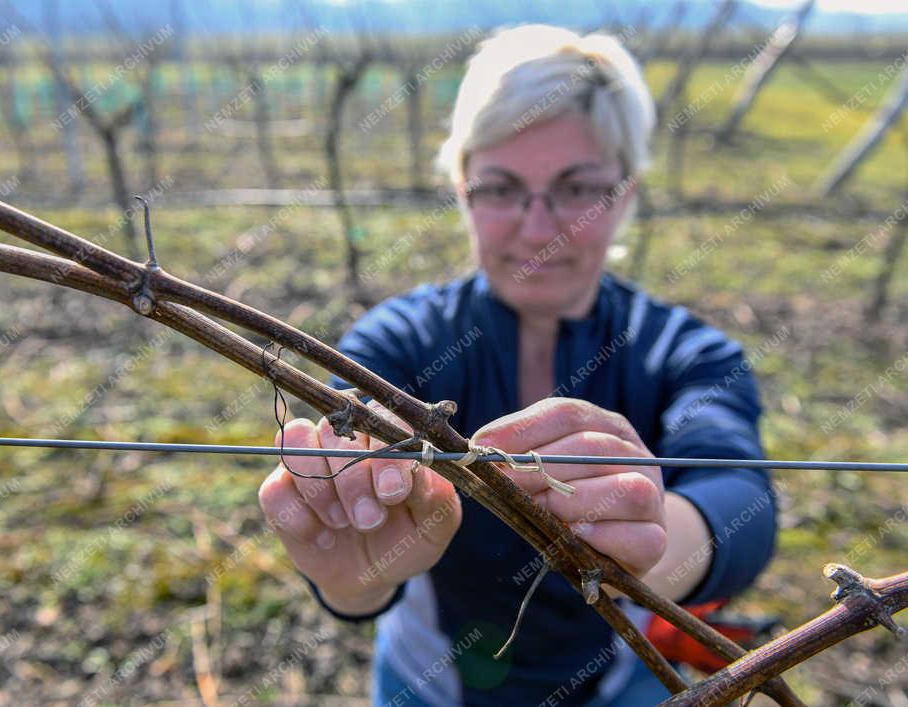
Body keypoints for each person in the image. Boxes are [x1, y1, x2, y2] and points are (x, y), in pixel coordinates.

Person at [257, 24, 778, 706]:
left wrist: (658, 538)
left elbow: (741, 494)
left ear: (625, 193)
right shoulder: (399, 341)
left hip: (625, 688)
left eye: (577, 189)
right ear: (461, 186)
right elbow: (352, 428)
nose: (539, 229)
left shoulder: (680, 350)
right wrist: (355, 571)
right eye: (501, 188)